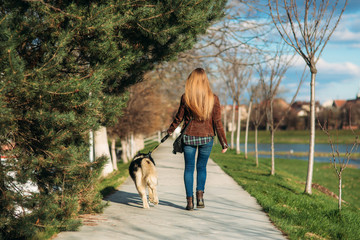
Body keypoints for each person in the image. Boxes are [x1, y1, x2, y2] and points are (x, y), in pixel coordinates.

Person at [166, 68, 228, 210]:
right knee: (201, 167)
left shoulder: (186, 97)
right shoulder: (214, 98)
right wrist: (224, 143)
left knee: (189, 168)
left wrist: (169, 131)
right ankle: (200, 197)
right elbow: (217, 122)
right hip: (207, 138)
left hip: (189, 137)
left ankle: (189, 202)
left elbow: (178, 118)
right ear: (205, 81)